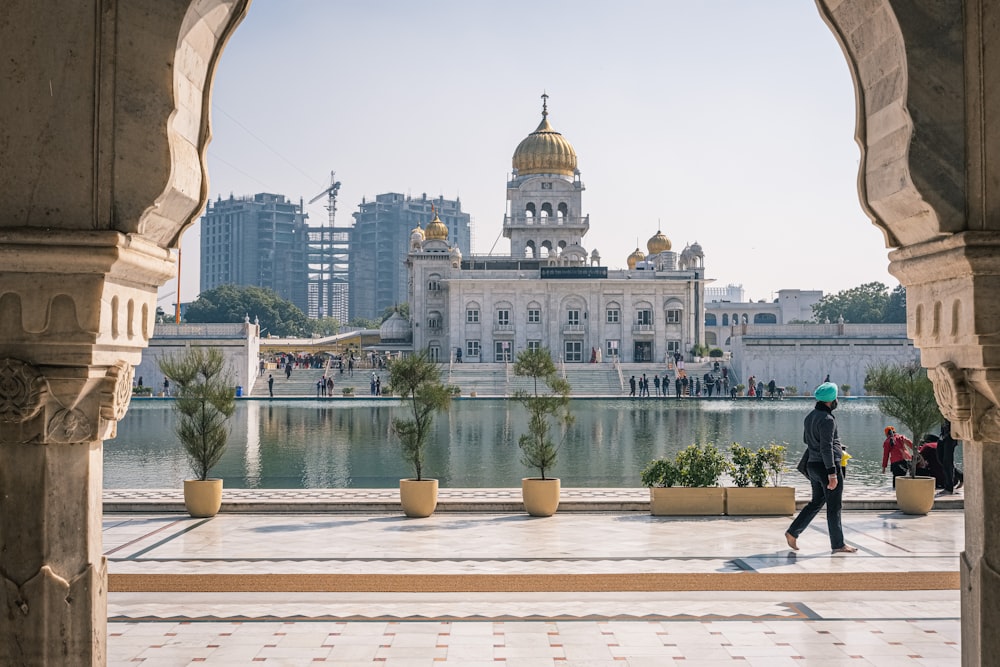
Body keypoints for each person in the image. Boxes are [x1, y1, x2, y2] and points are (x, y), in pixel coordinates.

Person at [785, 382, 857, 554]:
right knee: (834, 507)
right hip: (826, 467)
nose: (837, 400)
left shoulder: (810, 417)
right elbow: (826, 447)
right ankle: (838, 544)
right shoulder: (827, 420)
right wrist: (832, 473)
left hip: (812, 465)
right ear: (831, 400)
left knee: (817, 501)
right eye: (835, 397)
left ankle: (793, 532)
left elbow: (806, 440)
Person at [937, 420, 961, 495]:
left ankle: (949, 488)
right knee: (940, 458)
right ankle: (961, 476)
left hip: (951, 436)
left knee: (947, 462)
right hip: (943, 435)